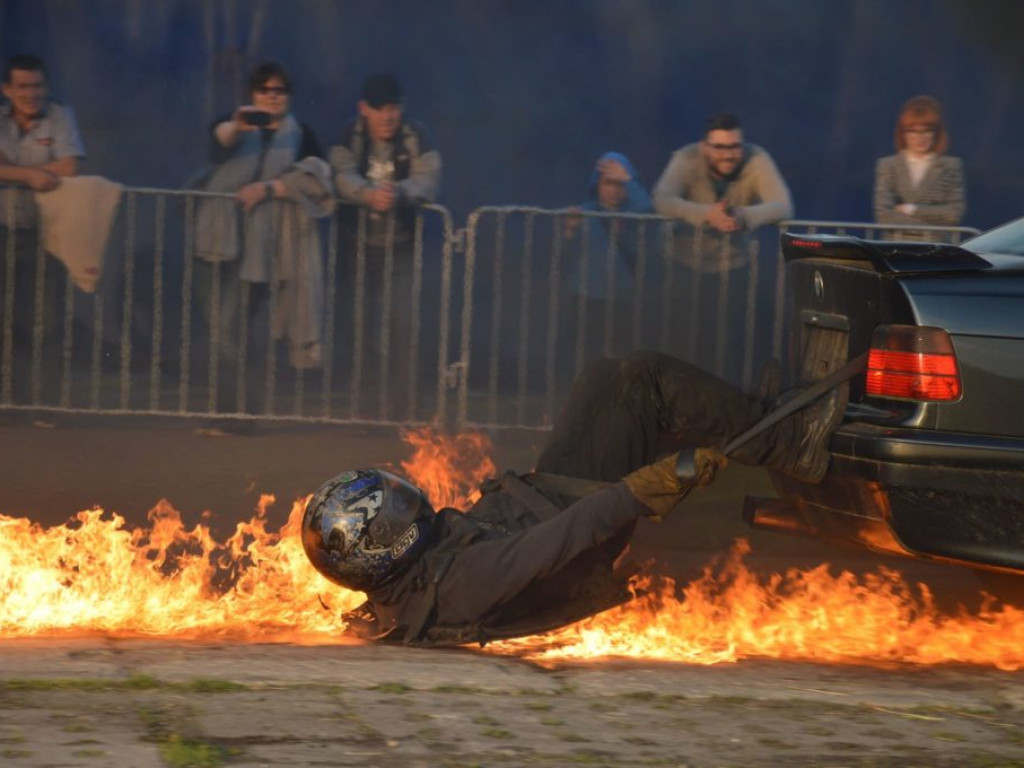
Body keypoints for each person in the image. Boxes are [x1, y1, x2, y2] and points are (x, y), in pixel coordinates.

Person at [301, 350, 847, 647]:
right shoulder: (467, 580)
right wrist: (656, 483)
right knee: (640, 382)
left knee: (600, 377)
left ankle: (747, 412)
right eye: (393, 509)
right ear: (381, 549)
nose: (406, 502)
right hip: (574, 510)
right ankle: (789, 440)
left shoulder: (399, 587)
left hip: (542, 494)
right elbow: (568, 535)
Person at [192, 60, 333, 431]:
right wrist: (236, 126)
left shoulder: (301, 134)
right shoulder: (234, 125)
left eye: (279, 90)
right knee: (222, 329)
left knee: (233, 327)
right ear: (253, 95)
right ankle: (234, 412)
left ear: (288, 96)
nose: (272, 97)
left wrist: (269, 189)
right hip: (215, 238)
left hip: (262, 248)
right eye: (264, 90)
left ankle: (238, 415)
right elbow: (216, 145)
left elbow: (317, 181)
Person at [329, 73, 442, 421]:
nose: (388, 116)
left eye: (393, 108)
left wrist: (401, 192)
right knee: (361, 328)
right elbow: (338, 173)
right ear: (364, 108)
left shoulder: (415, 135)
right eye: (380, 109)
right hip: (358, 247)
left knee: (404, 327)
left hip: (404, 247)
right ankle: (364, 412)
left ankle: (402, 412)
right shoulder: (350, 134)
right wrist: (368, 194)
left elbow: (429, 177)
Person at [652, 114, 793, 383]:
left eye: (734, 146)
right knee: (682, 342)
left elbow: (783, 205)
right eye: (720, 147)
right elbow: (661, 199)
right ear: (705, 146)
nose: (728, 154)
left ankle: (729, 408)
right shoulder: (687, 158)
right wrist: (707, 215)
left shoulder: (756, 158)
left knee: (733, 343)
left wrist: (742, 216)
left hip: (733, 267)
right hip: (684, 265)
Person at [0, 54, 85, 395]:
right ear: (7, 90)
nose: (31, 93)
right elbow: (50, 170)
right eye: (22, 86)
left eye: (37, 85)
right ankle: (8, 401)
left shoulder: (60, 116)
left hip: (46, 234)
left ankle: (46, 401)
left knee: (45, 321)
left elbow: (69, 168)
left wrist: (9, 172)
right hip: (2, 230)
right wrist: (31, 175)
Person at [562, 152, 652, 367]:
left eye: (620, 184)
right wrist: (569, 232)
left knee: (619, 357)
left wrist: (628, 179)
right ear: (597, 184)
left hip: (622, 298)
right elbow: (565, 257)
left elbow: (648, 206)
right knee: (585, 356)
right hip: (586, 296)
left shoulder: (634, 216)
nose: (614, 189)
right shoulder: (584, 212)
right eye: (609, 182)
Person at [873, 95, 965, 239]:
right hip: (897, 246)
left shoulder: (950, 166)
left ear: (936, 133)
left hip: (936, 249)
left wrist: (912, 210)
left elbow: (954, 213)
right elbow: (884, 215)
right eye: (913, 131)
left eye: (927, 130)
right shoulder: (888, 166)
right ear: (903, 134)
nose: (920, 137)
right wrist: (932, 231)